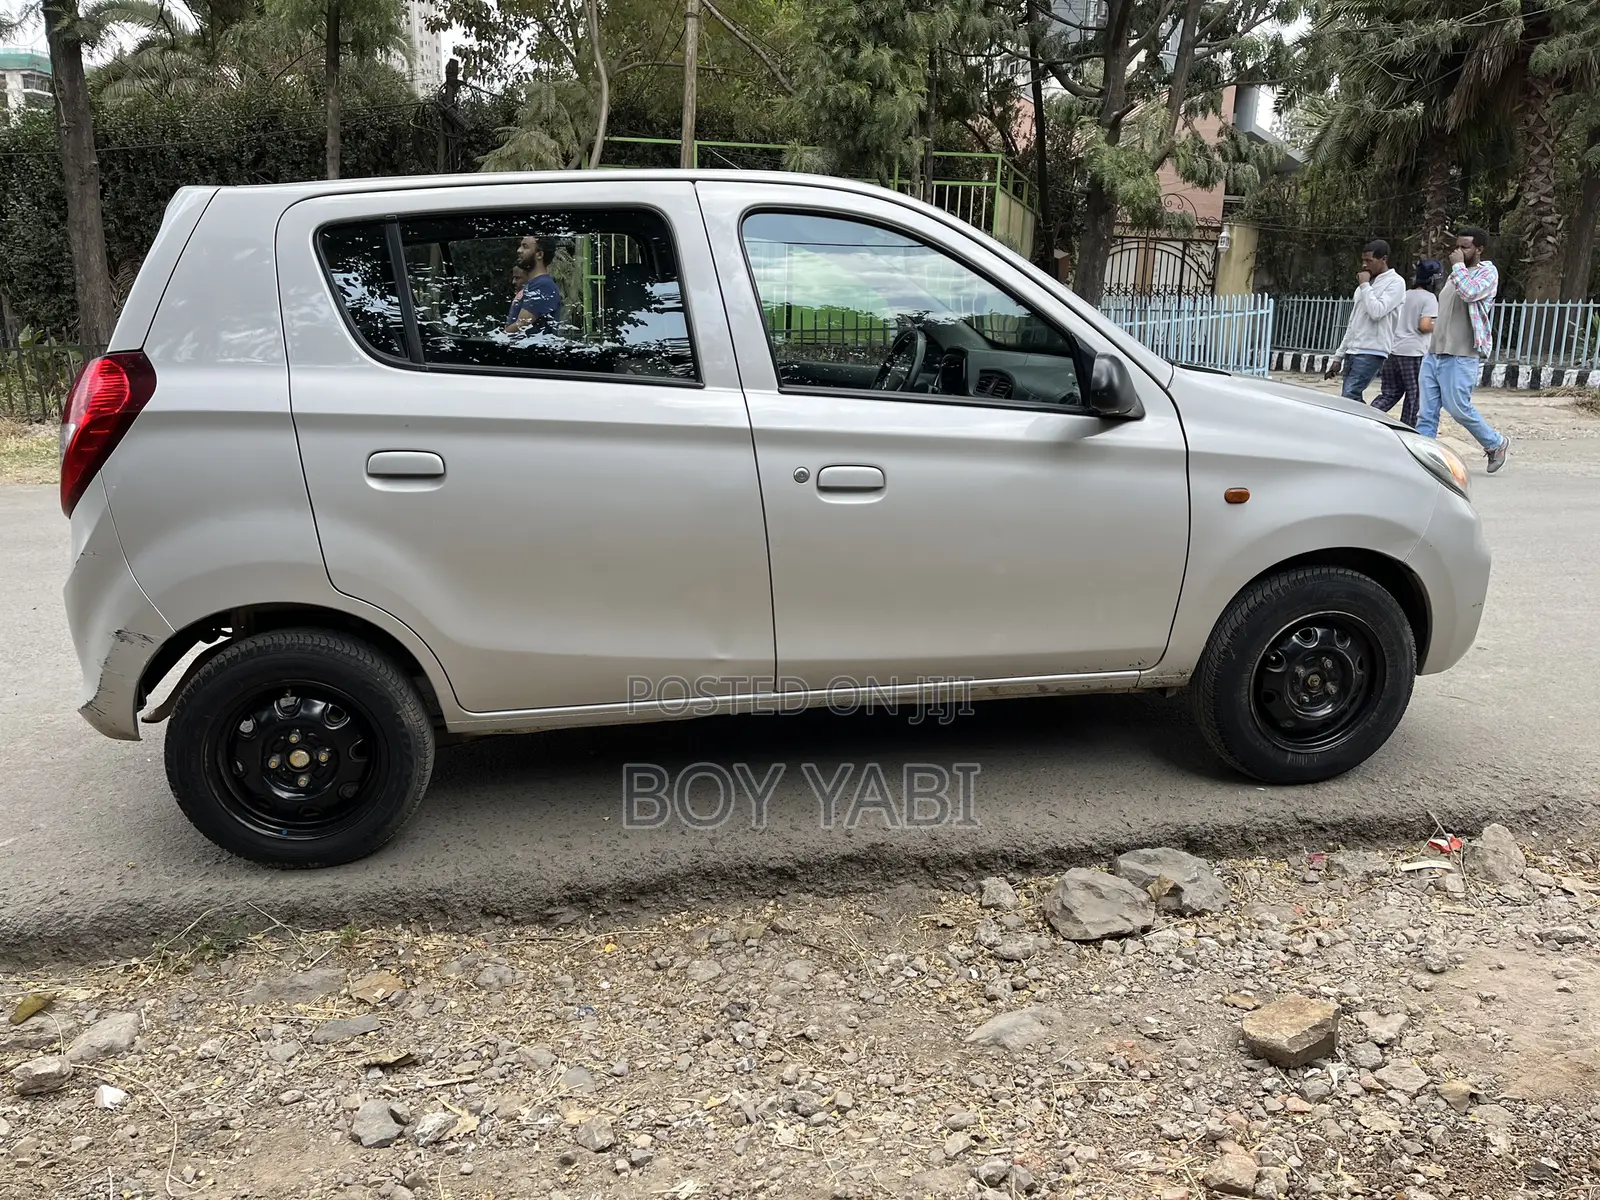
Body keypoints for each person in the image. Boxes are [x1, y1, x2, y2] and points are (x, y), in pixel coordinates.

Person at [1416, 228, 1509, 473]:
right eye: (1458, 246)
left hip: (1461, 353)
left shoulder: (1487, 273)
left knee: (1458, 407)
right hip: (1435, 352)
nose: (1458, 252)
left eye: (1465, 247)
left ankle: (1495, 443)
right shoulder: (1454, 277)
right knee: (1426, 412)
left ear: (1479, 249)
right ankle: (1422, 460)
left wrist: (1458, 268)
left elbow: (1470, 294)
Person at [1327, 238, 1406, 402]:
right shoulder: (1366, 284)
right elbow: (1353, 322)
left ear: (1383, 259)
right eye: (1363, 260)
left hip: (1372, 350)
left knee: (1350, 395)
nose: (1364, 265)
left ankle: (1367, 424)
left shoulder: (1396, 282)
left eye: (1369, 260)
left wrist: (1364, 285)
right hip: (1353, 350)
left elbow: (1377, 311)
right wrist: (1338, 356)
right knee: (1350, 397)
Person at [1371, 259, 1442, 427]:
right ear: (1433, 280)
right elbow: (1424, 326)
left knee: (1389, 393)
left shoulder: (1404, 294)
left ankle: (1365, 418)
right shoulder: (1429, 298)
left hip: (1392, 350)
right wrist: (1443, 325)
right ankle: (1407, 431)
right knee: (1415, 396)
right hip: (1414, 353)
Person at [505, 235, 561, 334]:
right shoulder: (534, 284)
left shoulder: (543, 285)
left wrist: (499, 337)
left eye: (525, 246)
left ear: (539, 254)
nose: (519, 250)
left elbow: (522, 324)